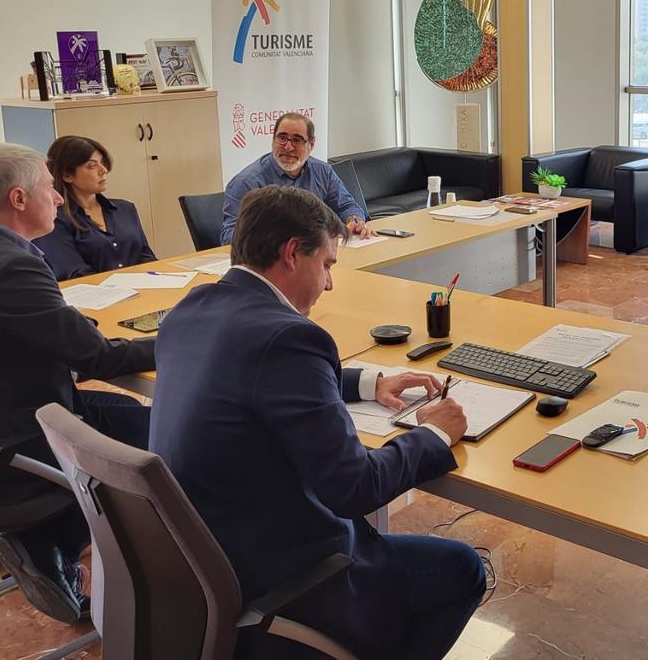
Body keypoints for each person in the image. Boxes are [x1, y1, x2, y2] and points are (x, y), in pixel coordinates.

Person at [151, 185, 486, 660]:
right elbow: (353, 488)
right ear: (292, 253)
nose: (329, 284)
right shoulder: (291, 337)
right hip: (283, 574)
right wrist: (434, 433)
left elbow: (249, 373)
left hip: (200, 560)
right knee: (463, 569)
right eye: (327, 265)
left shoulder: (192, 309)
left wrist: (371, 382)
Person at [0, 143, 155, 624]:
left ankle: (43, 542)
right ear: (20, 199)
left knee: (142, 419)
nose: (59, 199)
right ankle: (64, 544)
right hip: (16, 442)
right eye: (50, 188)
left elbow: (37, 331)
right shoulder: (10, 266)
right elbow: (100, 357)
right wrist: (184, 337)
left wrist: (70, 328)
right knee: (164, 436)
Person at [221, 112, 372, 244]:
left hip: (315, 256)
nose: (288, 147)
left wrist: (354, 221)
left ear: (311, 144)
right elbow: (229, 237)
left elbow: (347, 206)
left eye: (297, 140)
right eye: (282, 138)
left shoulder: (322, 171)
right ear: (273, 141)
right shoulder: (248, 182)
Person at [32, 135, 156, 279]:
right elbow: (73, 272)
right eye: (91, 166)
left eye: (103, 162)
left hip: (145, 293)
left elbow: (147, 258)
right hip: (96, 297)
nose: (103, 170)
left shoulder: (126, 209)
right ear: (67, 175)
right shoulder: (54, 219)